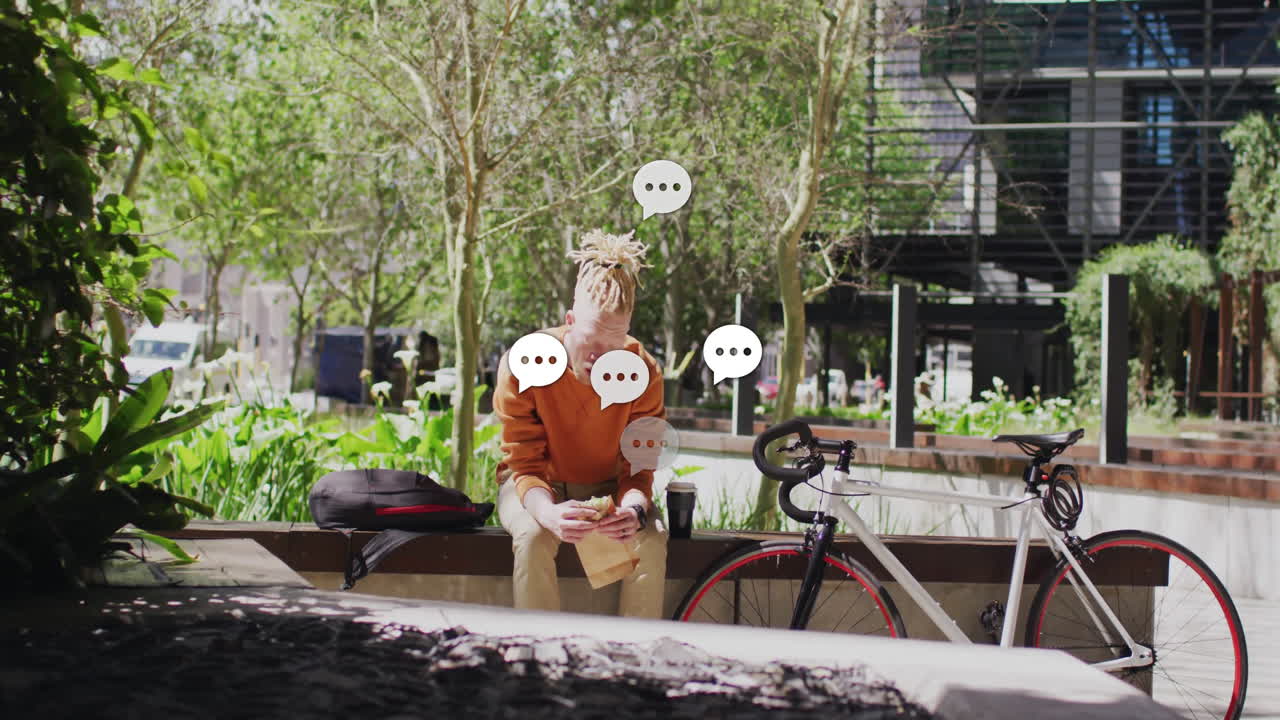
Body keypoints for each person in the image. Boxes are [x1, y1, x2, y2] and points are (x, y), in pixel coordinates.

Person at [492, 229, 668, 617]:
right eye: (591, 341)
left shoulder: (644, 372)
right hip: (535, 487)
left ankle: (635, 658)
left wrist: (633, 512)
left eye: (615, 343)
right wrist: (549, 512)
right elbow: (523, 465)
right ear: (570, 322)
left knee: (651, 538)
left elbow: (639, 473)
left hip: (607, 489)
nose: (601, 356)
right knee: (535, 536)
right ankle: (539, 655)